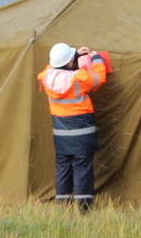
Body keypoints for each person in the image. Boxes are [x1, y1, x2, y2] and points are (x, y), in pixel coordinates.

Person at [38, 42, 109, 212]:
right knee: (82, 168)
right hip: (82, 132)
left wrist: (74, 55)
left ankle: (62, 206)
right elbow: (99, 78)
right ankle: (83, 210)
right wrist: (96, 58)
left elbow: (53, 66)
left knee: (62, 168)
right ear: (70, 63)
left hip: (61, 133)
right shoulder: (79, 78)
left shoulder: (45, 77)